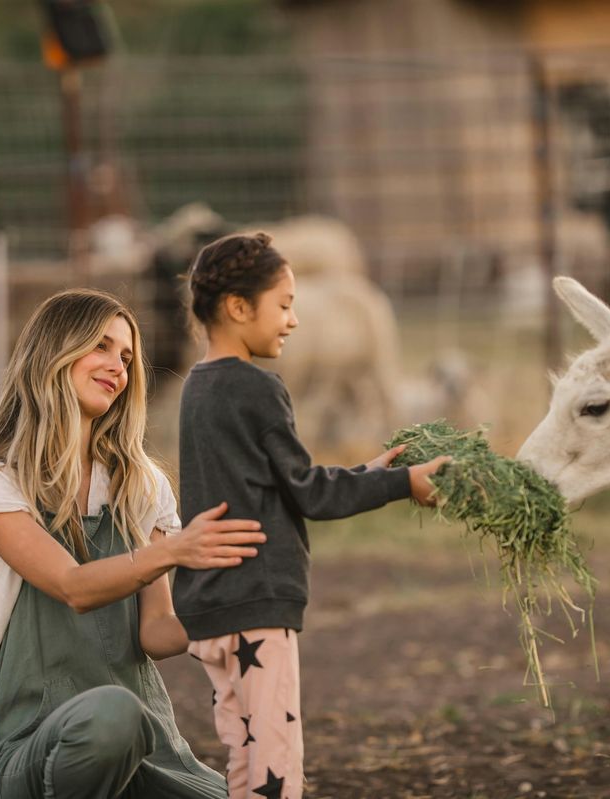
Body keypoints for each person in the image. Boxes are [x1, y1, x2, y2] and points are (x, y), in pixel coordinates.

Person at [0, 288, 267, 799]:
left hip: (151, 753)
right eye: (100, 347)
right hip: (39, 752)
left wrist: (229, 616)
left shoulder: (139, 486)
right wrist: (173, 550)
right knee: (112, 717)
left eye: (125, 357)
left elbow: (156, 632)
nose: (117, 367)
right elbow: (73, 586)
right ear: (54, 352)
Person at [174, 232, 449, 799]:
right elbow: (311, 494)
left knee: (247, 764)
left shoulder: (196, 389)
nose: (294, 321)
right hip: (259, 604)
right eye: (284, 305)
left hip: (212, 610)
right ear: (238, 307)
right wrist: (401, 483)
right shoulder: (259, 388)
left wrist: (367, 472)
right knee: (278, 768)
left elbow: (282, 484)